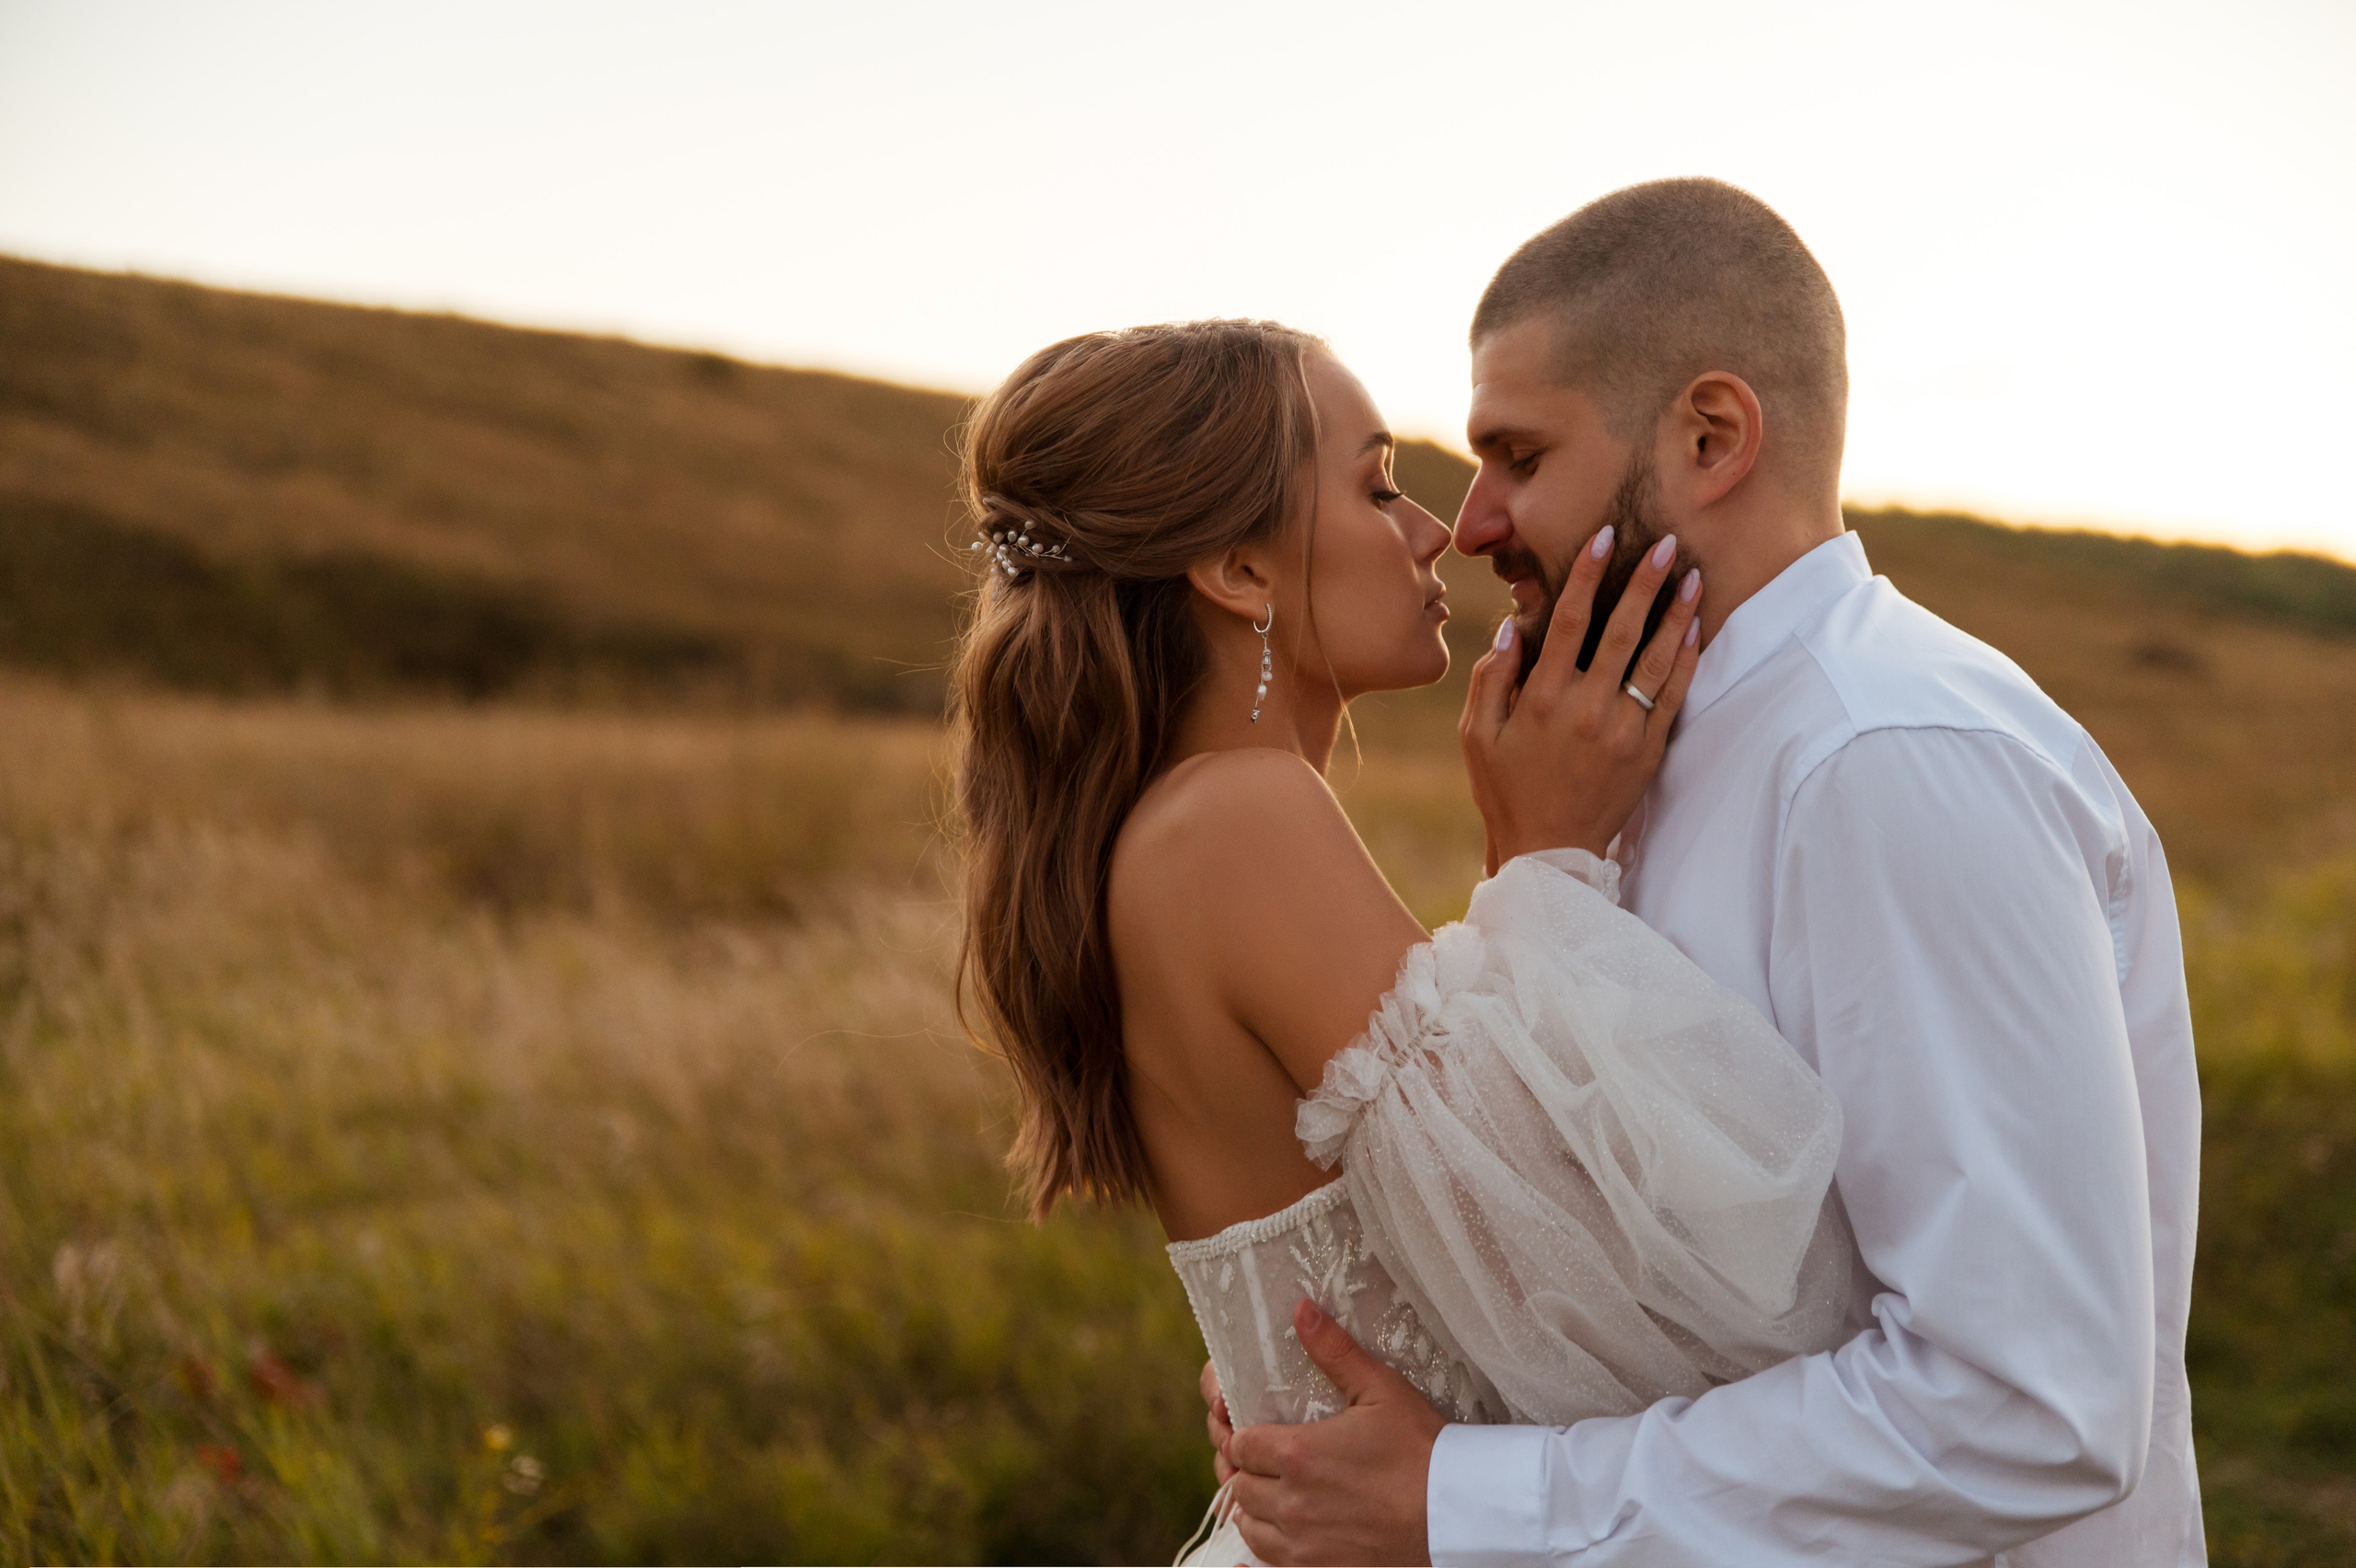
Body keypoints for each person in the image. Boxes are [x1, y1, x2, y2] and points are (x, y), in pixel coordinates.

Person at [1215, 179, 2204, 1565]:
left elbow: (2022, 1403)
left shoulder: (1887, 760)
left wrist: (1468, 1501)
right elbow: (1660, 1279)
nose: (1475, 520)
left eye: (1518, 455)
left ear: (1711, 436)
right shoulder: (1627, 750)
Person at [946, 314, 1856, 1567]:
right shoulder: (1235, 820)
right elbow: (1646, 1306)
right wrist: (1548, 868)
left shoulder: (1182, 828)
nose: (1437, 530)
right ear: (1240, 573)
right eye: (1376, 485)